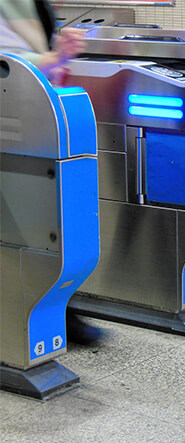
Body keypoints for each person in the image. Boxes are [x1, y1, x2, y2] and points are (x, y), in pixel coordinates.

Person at [0, 0, 104, 343]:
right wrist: (51, 58)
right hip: (15, 109)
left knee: (39, 221)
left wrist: (57, 53)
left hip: (28, 110)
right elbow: (9, 58)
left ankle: (56, 311)